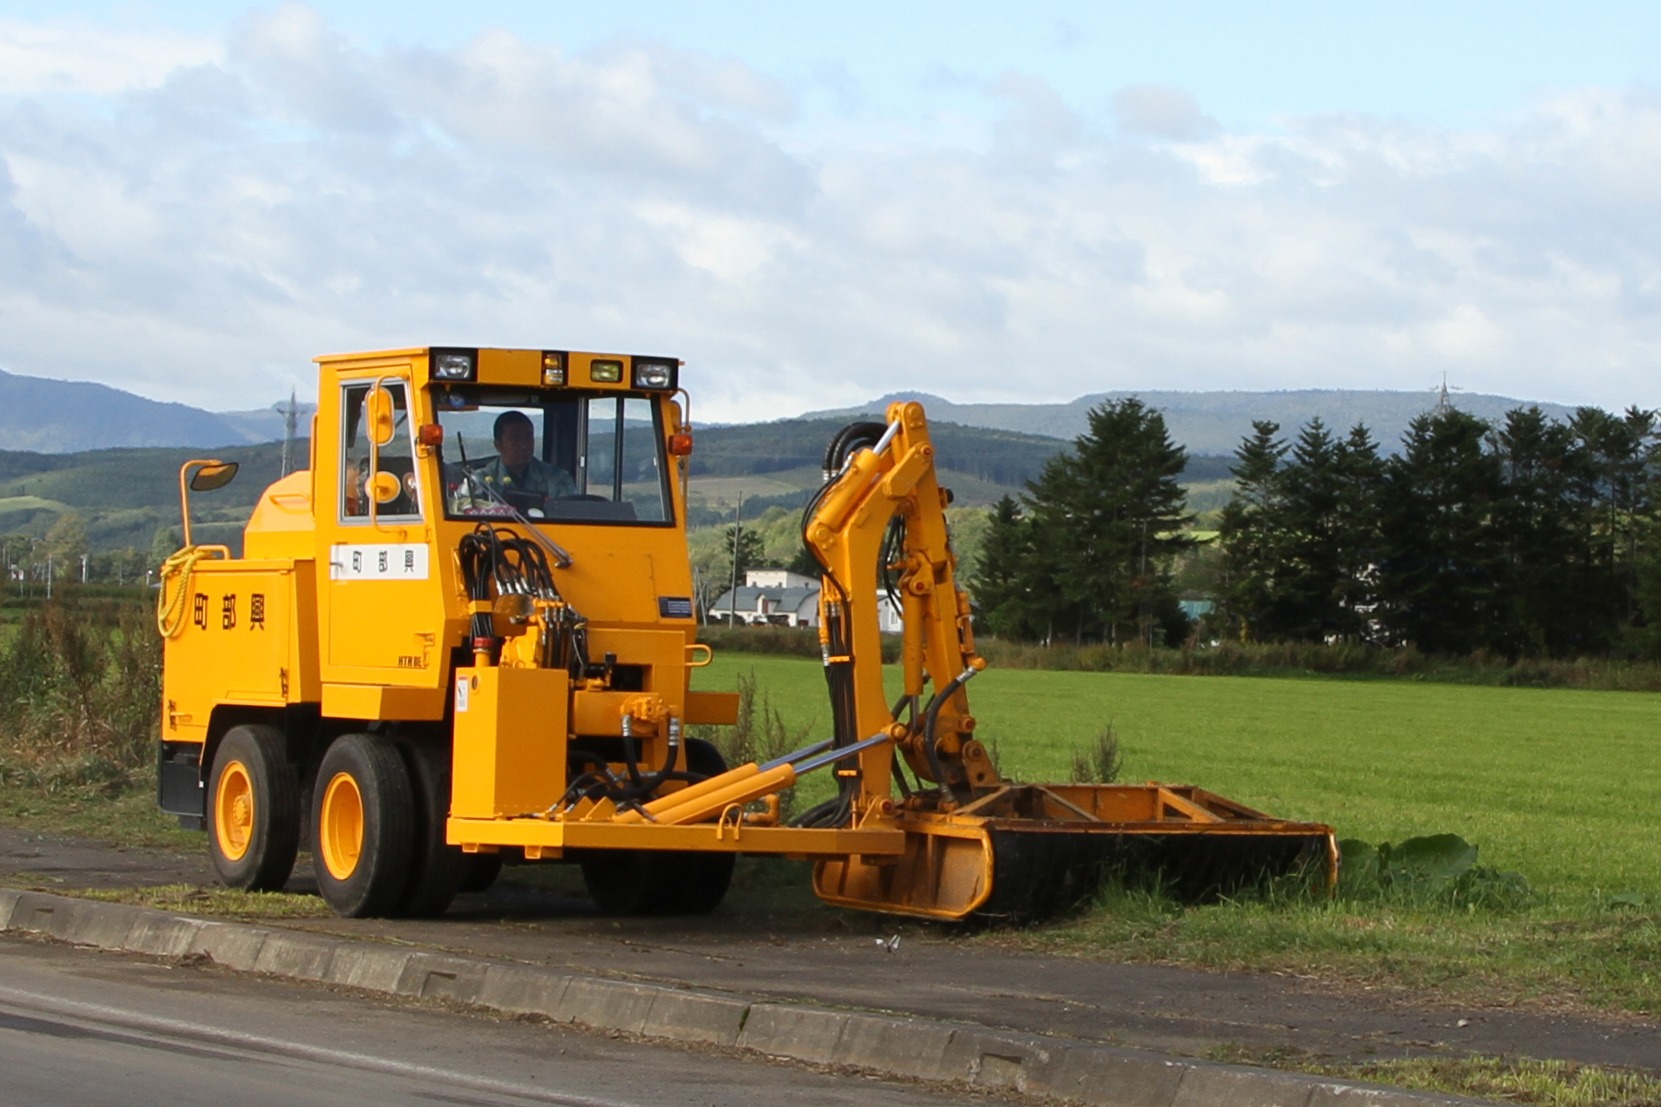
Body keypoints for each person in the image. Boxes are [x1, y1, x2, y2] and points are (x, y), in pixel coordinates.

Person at [455, 410, 575, 514]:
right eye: (515, 438)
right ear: (498, 445)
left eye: (528, 437)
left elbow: (569, 514)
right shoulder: (480, 481)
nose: (524, 445)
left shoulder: (556, 478)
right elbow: (466, 512)